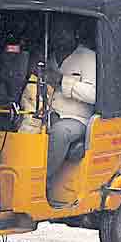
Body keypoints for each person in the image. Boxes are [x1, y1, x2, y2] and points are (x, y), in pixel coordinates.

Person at [45, 16, 96, 199]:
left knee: (59, 134)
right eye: (55, 32)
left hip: (76, 118)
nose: (59, 36)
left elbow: (93, 94)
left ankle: (44, 182)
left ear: (74, 34)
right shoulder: (49, 56)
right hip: (49, 113)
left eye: (63, 32)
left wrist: (63, 82)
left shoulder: (88, 57)